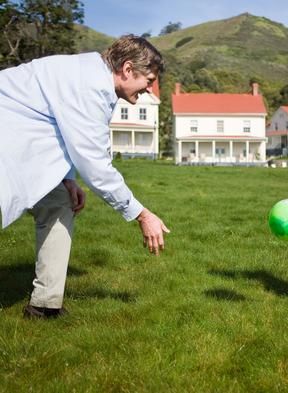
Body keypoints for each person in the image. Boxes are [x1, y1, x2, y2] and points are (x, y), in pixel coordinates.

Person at [0, 35, 170, 319]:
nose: (149, 89)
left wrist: (67, 179)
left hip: (21, 144)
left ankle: (44, 306)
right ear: (128, 69)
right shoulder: (89, 86)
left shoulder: (94, 79)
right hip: (8, 142)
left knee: (58, 203)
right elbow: (96, 166)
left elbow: (62, 132)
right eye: (148, 80)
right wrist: (142, 215)